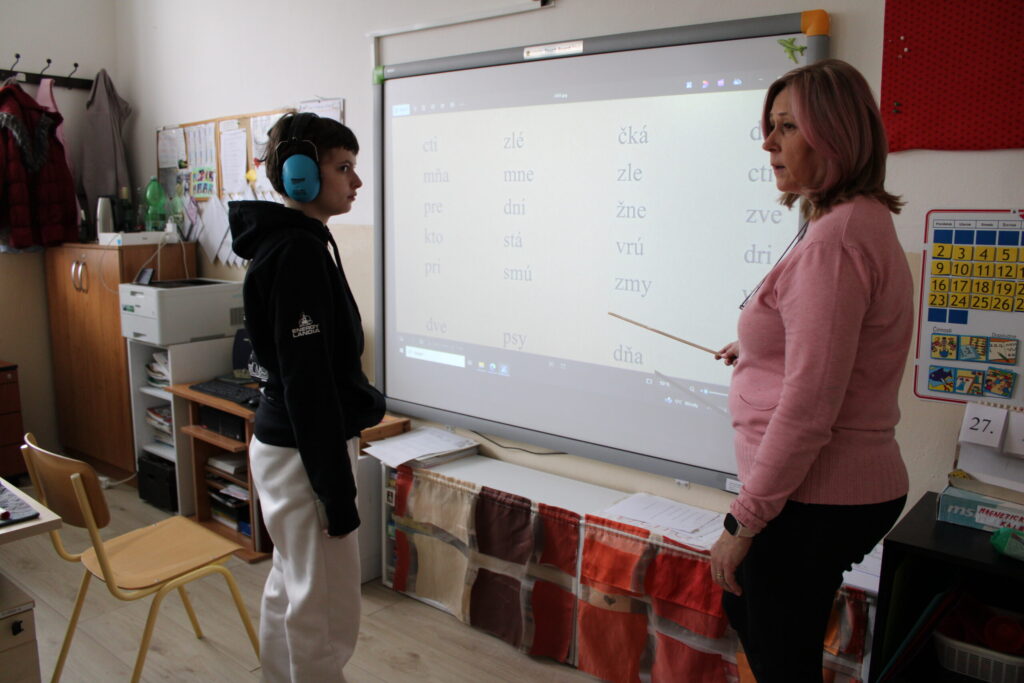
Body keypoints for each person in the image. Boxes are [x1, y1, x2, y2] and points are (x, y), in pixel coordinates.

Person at [709, 59, 912, 682]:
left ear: (836, 135)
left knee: (778, 655)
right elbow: (833, 353)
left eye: (788, 126)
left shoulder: (835, 241)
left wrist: (744, 520)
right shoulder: (849, 220)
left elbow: (810, 404)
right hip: (830, 490)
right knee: (757, 621)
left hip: (819, 493)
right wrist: (760, 350)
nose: (768, 143)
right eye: (770, 126)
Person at [229, 112, 386, 682]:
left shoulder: (293, 242)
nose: (356, 182)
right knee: (324, 609)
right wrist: (335, 491)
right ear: (301, 174)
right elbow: (308, 383)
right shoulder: (297, 253)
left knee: (293, 585)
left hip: (286, 447)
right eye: (343, 168)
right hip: (304, 454)